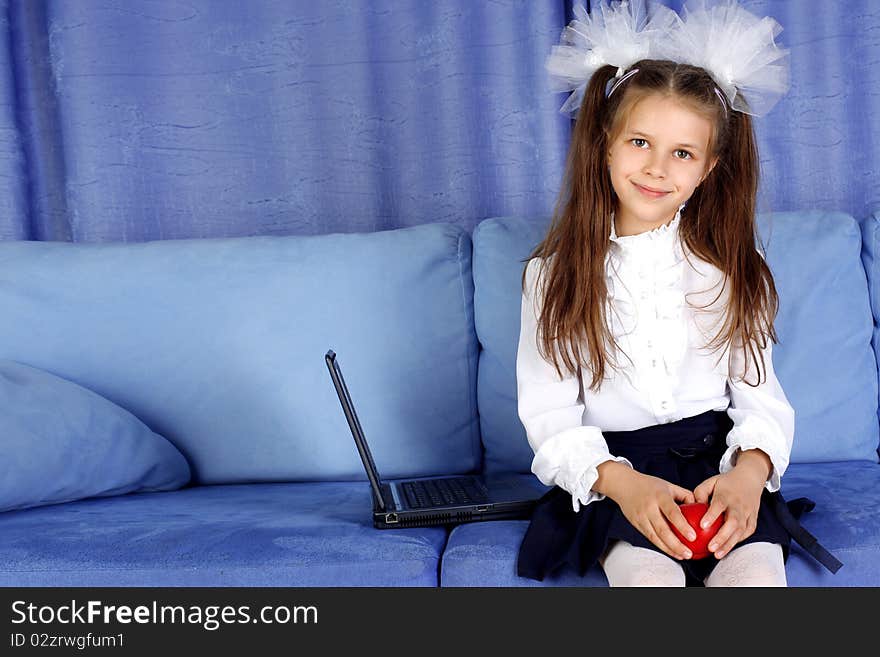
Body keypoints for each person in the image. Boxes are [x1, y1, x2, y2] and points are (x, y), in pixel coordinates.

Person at [515, 0, 842, 586]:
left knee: (759, 579)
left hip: (722, 468)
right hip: (619, 477)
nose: (657, 168)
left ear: (709, 168)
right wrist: (624, 485)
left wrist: (747, 477)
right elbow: (551, 418)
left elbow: (759, 396)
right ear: (605, 144)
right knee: (649, 582)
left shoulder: (733, 266)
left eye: (683, 153)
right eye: (640, 142)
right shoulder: (553, 274)